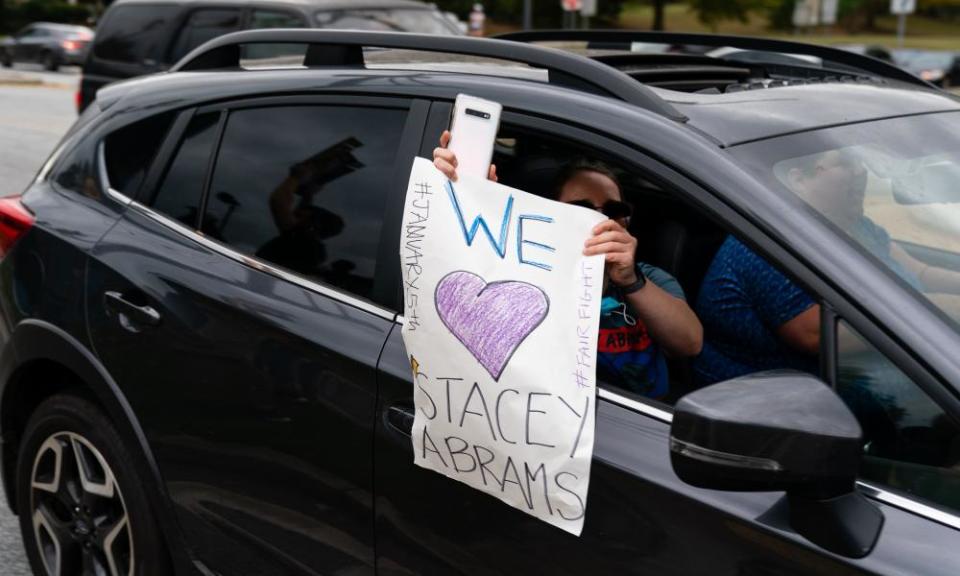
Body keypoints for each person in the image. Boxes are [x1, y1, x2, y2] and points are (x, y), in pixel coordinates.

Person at [433, 131, 702, 398]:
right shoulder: (526, 277)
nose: (599, 221)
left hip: (638, 421)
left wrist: (631, 281)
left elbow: (690, 343)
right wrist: (465, 193)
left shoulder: (649, 279)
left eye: (613, 211)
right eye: (582, 209)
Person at [694, 149, 960, 386]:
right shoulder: (767, 243)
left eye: (860, 161)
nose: (861, 170)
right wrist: (938, 310)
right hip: (782, 416)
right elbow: (818, 335)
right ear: (799, 180)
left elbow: (919, 272)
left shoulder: (854, 226)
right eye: (846, 162)